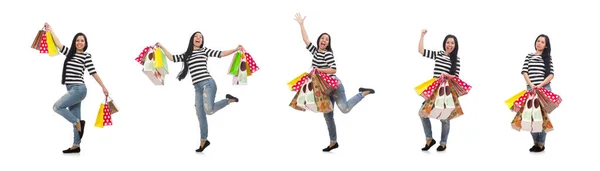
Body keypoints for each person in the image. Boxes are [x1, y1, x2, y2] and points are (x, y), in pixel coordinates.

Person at [294, 13, 375, 152]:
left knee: (344, 109)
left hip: (334, 86)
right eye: (322, 38)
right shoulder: (315, 52)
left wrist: (318, 69)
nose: (324, 40)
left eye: (327, 39)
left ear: (328, 43)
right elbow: (305, 39)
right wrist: (301, 24)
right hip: (323, 89)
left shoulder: (328, 54)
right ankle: (333, 142)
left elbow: (333, 69)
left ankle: (362, 93)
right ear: (319, 40)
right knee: (328, 115)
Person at [157, 31, 241, 152]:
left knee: (209, 110)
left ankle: (229, 100)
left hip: (208, 83)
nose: (198, 38)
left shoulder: (204, 51)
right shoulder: (187, 55)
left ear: (202, 41)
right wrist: (161, 46)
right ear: (192, 39)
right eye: (196, 36)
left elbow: (221, 53)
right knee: (201, 115)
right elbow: (171, 58)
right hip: (197, 87)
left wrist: (235, 49)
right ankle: (203, 141)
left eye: (200, 37)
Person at [45, 23, 110, 153]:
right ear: (75, 42)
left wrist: (103, 86)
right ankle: (76, 145)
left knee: (57, 107)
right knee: (75, 115)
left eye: (82, 41)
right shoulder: (69, 53)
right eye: (77, 40)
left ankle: (77, 122)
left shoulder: (86, 56)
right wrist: (50, 29)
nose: (79, 42)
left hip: (79, 89)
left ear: (85, 43)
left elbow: (93, 72)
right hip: (71, 90)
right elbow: (58, 43)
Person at [417, 29, 460, 152]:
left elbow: (456, 77)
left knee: (444, 118)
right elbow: (421, 51)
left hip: (446, 91)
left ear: (455, 45)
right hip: (434, 89)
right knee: (422, 113)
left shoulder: (456, 60)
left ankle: (443, 143)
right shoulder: (439, 54)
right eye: (448, 42)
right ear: (444, 43)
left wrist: (446, 75)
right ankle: (429, 139)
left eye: (452, 43)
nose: (450, 45)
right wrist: (422, 36)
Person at [521, 34, 554, 152]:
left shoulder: (547, 58)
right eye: (538, 41)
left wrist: (540, 85)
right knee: (530, 117)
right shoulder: (529, 56)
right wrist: (531, 85)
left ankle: (541, 143)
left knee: (542, 117)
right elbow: (524, 71)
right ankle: (535, 142)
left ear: (546, 46)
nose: (539, 43)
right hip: (530, 89)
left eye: (542, 42)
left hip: (544, 89)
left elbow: (551, 75)